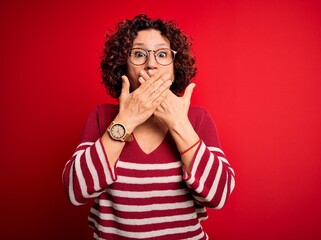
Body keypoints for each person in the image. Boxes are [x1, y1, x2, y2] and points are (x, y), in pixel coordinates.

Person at [62, 14, 235, 240]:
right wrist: (125, 121)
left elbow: (219, 196)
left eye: (162, 54)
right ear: (123, 66)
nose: (151, 64)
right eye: (139, 54)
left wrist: (179, 124)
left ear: (175, 68)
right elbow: (76, 191)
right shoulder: (102, 117)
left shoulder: (197, 119)